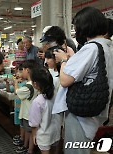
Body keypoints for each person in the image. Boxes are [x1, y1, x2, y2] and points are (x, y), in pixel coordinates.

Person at [53, 7, 113, 154]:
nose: (76, 30)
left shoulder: (91, 48)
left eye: (77, 27)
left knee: (75, 149)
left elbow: (65, 80)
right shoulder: (107, 46)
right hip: (96, 105)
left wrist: (63, 61)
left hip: (81, 112)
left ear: (85, 26)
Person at [29, 67, 62, 154]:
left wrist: (33, 135)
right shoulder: (56, 94)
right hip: (56, 132)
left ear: (35, 84)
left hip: (44, 135)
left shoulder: (38, 101)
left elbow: (34, 123)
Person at [15, 60, 39, 154]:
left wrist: (16, 82)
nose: (21, 72)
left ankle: (29, 150)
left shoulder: (29, 86)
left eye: (22, 70)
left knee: (30, 132)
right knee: (27, 131)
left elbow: (18, 92)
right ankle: (25, 146)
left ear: (27, 70)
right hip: (28, 112)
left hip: (28, 113)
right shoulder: (34, 83)